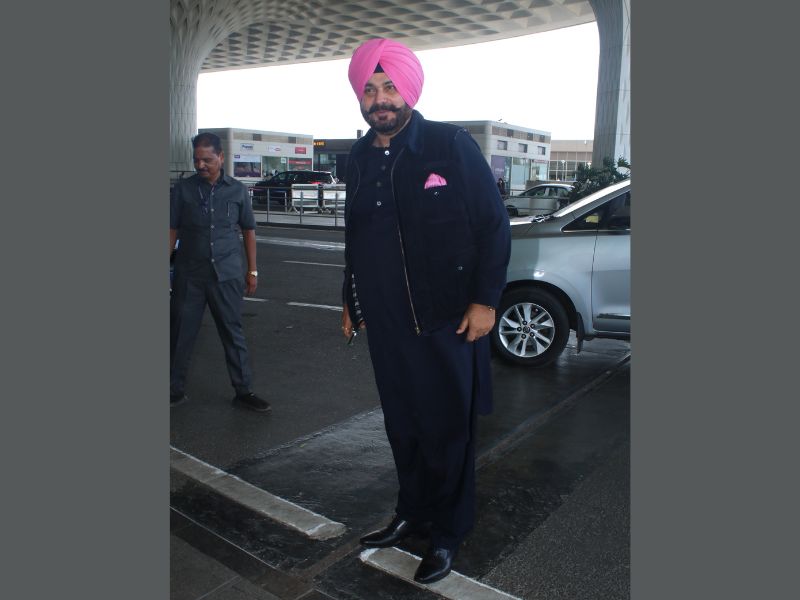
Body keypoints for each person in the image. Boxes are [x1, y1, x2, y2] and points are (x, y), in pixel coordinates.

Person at [341, 38, 511, 584]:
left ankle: (448, 532)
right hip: (386, 323)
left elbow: (493, 226)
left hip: (444, 320)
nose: (380, 99)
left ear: (409, 90)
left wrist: (485, 301)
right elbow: (355, 236)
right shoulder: (359, 158)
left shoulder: (448, 145)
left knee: (447, 433)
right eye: (370, 89)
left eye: (389, 86)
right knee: (403, 426)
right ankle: (411, 513)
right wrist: (350, 299)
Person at [170, 132, 270, 412]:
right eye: (196, 160)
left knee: (232, 333)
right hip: (189, 275)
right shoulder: (183, 190)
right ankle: (173, 390)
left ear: (221, 157)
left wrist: (252, 271)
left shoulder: (237, 191)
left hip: (226, 275)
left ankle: (244, 391)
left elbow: (249, 230)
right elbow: (171, 229)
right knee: (180, 334)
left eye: (207, 160)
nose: (200, 165)